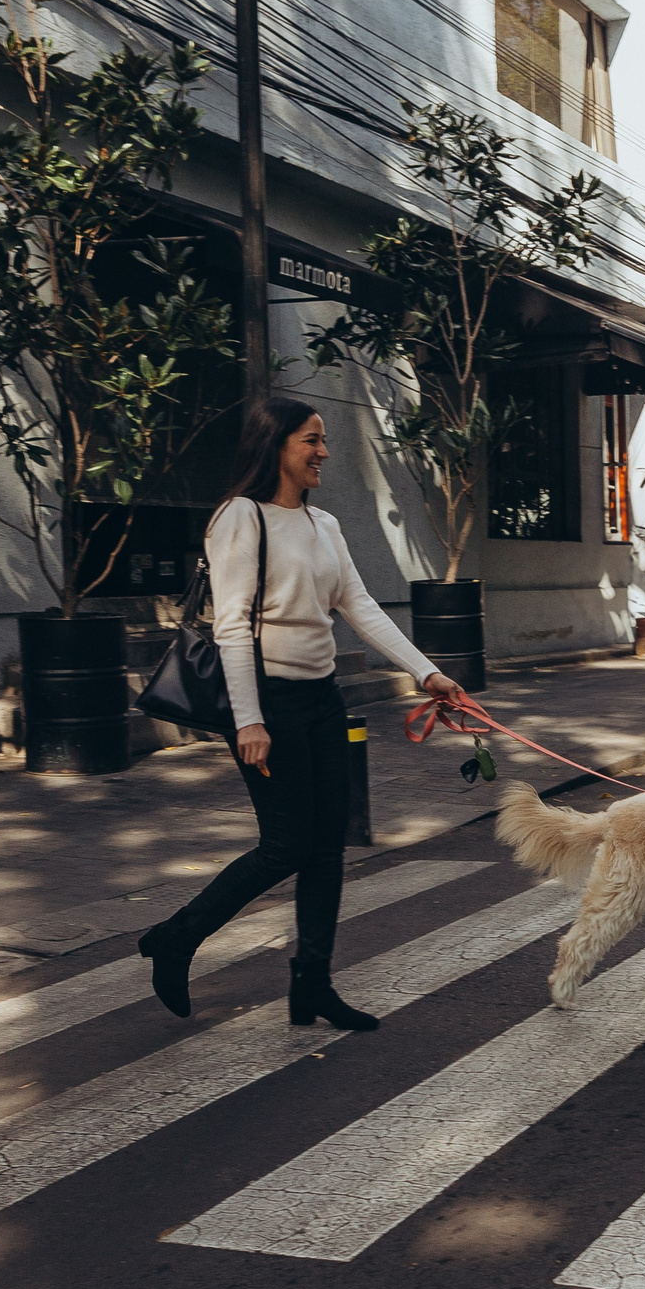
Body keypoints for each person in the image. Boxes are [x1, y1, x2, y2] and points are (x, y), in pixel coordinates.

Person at [138, 397, 464, 1029]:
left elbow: (359, 606)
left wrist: (426, 672)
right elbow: (232, 626)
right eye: (310, 440)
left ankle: (311, 984)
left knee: (326, 847)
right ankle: (177, 936)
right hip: (269, 702)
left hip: (322, 698)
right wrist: (248, 720)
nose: (323, 452)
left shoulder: (324, 525)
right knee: (286, 844)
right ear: (276, 445)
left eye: (323, 440)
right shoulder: (241, 517)